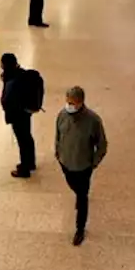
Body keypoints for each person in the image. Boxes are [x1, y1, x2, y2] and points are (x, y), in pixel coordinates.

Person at [55, 86, 107, 246]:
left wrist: (94, 163)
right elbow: (58, 134)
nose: (69, 105)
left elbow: (102, 145)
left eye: (73, 103)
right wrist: (57, 152)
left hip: (83, 166)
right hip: (65, 162)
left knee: (83, 196)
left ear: (81, 102)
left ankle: (80, 228)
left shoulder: (93, 120)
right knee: (74, 186)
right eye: (68, 102)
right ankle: (79, 193)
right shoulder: (62, 115)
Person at [0, 53, 44, 178]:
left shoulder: (11, 80)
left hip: (17, 114)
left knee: (22, 141)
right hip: (26, 112)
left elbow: (7, 100)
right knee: (27, 137)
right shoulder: (22, 73)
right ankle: (31, 163)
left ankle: (24, 168)